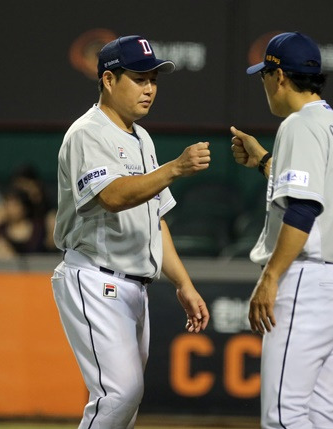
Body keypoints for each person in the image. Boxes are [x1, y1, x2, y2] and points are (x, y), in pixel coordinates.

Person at [51, 35, 211, 429]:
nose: (150, 88)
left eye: (153, 78)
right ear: (108, 80)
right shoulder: (88, 132)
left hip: (134, 285)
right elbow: (113, 197)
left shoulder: (142, 138)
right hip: (95, 277)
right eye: (139, 78)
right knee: (118, 394)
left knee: (125, 403)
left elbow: (155, 219)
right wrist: (175, 168)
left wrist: (184, 284)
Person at [230, 32, 333, 428]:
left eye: (265, 75)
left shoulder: (299, 124)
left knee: (283, 419)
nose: (265, 85)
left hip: (306, 283)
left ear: (280, 77)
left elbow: (303, 209)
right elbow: (313, 192)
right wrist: (264, 162)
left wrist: (270, 278)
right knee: (321, 418)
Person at [0, 188, 45, 259]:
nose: (10, 209)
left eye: (15, 205)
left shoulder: (38, 228)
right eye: (7, 204)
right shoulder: (0, 229)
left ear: (25, 207)